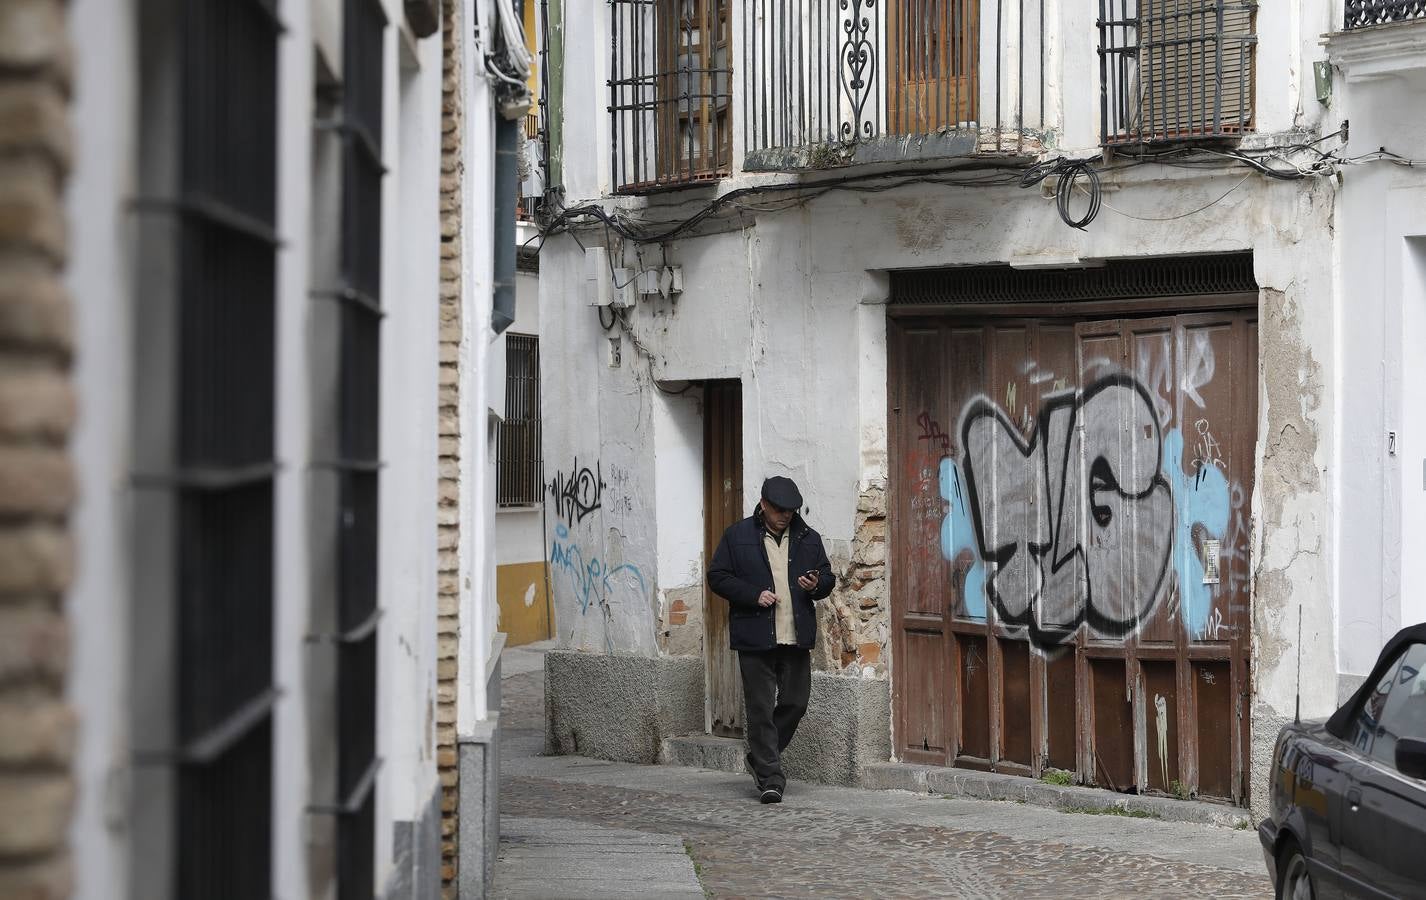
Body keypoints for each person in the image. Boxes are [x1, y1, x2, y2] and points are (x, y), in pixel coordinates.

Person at [708, 475, 835, 803]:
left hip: (795, 636)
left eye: (791, 510)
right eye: (779, 509)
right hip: (755, 636)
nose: (785, 516)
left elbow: (827, 577)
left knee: (796, 702)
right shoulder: (737, 536)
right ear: (763, 505)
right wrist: (753, 595)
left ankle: (760, 756)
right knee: (761, 709)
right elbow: (717, 577)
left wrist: (815, 585)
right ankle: (770, 777)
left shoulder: (809, 539)